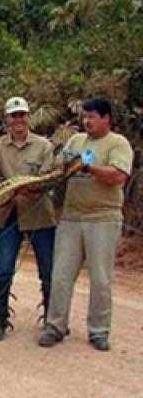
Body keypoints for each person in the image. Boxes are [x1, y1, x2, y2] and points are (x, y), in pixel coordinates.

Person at [39, 98, 133, 351]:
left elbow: (119, 177)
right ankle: (55, 326)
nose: (87, 121)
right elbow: (61, 169)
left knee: (100, 278)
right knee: (60, 275)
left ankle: (99, 331)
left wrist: (89, 167)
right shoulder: (75, 141)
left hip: (102, 218)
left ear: (106, 118)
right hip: (71, 217)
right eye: (85, 116)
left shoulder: (117, 143)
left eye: (92, 116)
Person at [0, 97, 57, 341]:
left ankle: (52, 321)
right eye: (13, 115)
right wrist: (9, 189)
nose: (18, 120)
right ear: (7, 119)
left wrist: (29, 188)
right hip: (8, 214)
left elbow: (49, 178)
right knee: (3, 269)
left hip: (40, 215)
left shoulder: (44, 146)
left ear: (28, 117)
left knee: (48, 270)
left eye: (22, 115)